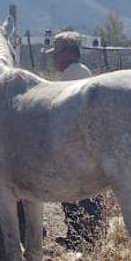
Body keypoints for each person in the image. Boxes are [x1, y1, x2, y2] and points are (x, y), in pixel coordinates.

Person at [45, 31, 104, 248]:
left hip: (75, 144)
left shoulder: (72, 75)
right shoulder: (81, 72)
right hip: (86, 143)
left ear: (68, 53)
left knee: (74, 190)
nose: (54, 59)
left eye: (57, 54)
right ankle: (86, 234)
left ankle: (80, 236)